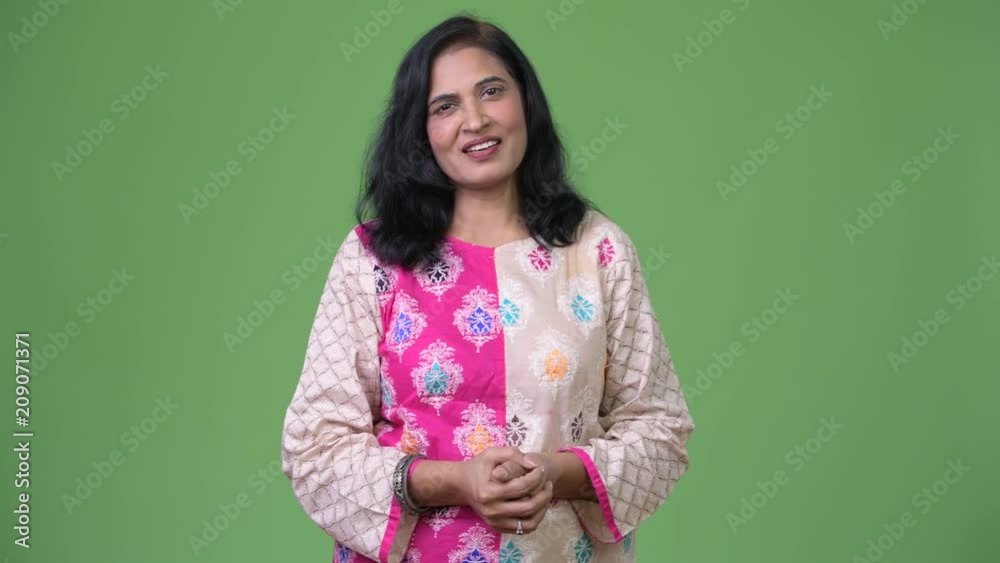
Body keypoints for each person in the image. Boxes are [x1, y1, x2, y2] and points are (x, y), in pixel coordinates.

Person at [280, 13, 695, 563]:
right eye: (444, 106)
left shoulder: (598, 251)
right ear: (420, 130)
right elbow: (314, 446)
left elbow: (661, 429)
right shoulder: (373, 259)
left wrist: (553, 472)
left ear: (526, 102)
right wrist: (454, 481)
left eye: (491, 91)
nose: (474, 120)